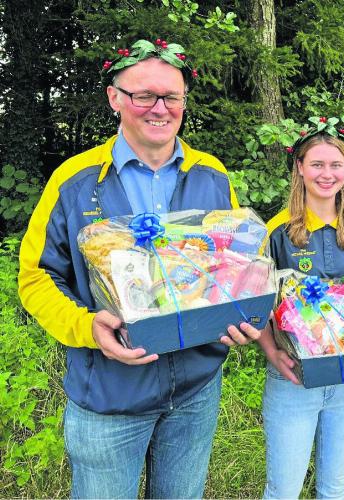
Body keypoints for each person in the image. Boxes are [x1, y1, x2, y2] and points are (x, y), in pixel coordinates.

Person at [18, 38, 259, 498]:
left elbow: (231, 267)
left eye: (171, 96)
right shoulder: (74, 181)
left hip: (195, 391)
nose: (159, 109)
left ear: (184, 100)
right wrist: (88, 327)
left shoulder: (212, 174)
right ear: (115, 97)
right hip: (109, 397)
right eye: (142, 95)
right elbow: (35, 276)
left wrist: (239, 310)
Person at [255, 118, 344, 499]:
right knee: (283, 491)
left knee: (335, 487)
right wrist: (272, 351)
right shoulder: (276, 231)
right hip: (295, 379)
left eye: (335, 165)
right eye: (318, 165)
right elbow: (254, 303)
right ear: (300, 169)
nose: (327, 174)